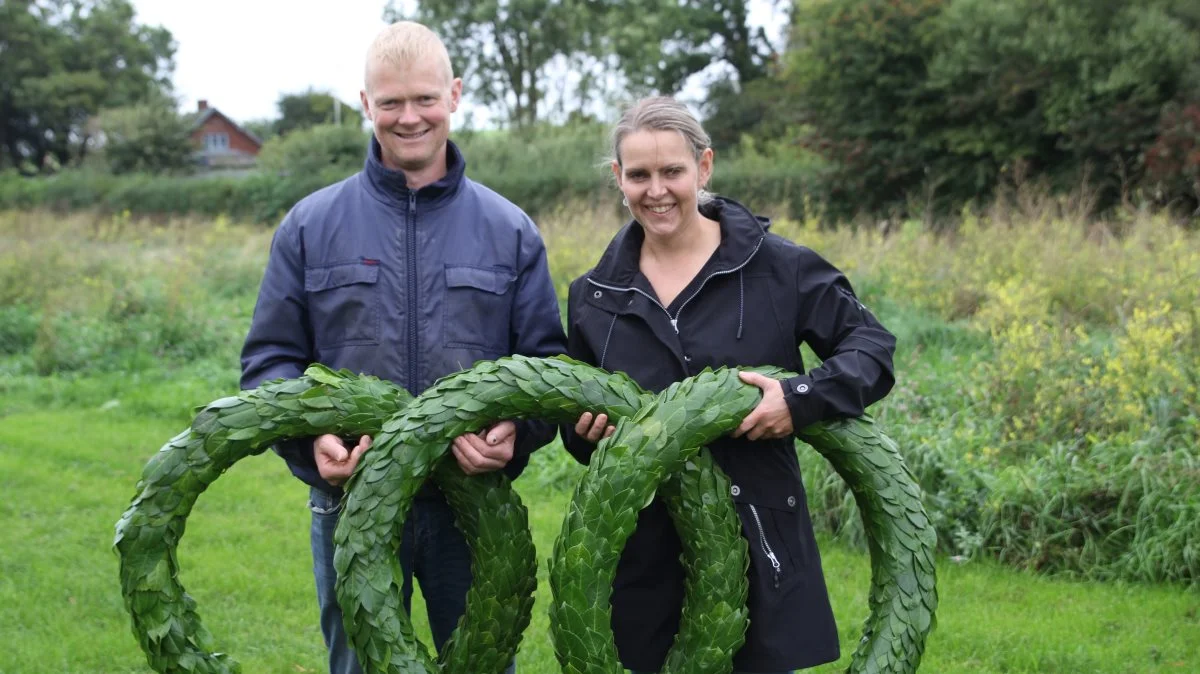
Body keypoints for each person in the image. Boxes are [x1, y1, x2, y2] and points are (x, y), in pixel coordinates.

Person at [240, 21, 566, 674]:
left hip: (470, 511)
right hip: (350, 503)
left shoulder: (510, 231)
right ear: (366, 104)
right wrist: (309, 444)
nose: (409, 117)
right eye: (391, 102)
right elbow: (270, 362)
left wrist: (517, 429)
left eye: (424, 99)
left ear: (455, 94)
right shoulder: (309, 225)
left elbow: (548, 366)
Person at [562, 96, 897, 673]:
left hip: (758, 546)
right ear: (619, 178)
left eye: (673, 171)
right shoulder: (594, 296)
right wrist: (583, 433)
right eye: (639, 175)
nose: (657, 190)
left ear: (705, 167)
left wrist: (800, 399)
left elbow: (872, 348)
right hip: (644, 556)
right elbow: (579, 423)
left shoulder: (779, 268)